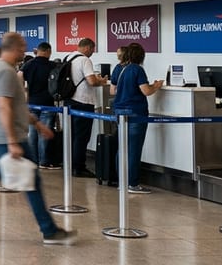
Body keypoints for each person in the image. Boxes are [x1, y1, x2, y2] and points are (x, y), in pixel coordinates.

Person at [0, 32, 74, 245]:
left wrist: (37, 124)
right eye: (22, 48)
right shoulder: (5, 71)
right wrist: (13, 141)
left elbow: (15, 106)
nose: (24, 51)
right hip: (7, 138)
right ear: (13, 49)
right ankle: (49, 230)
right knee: (32, 181)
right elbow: (4, 106)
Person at [110, 42, 163, 194]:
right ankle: (132, 184)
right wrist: (156, 86)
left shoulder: (118, 68)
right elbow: (146, 91)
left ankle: (122, 181)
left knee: (122, 148)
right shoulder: (137, 70)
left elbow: (113, 91)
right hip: (135, 113)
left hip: (119, 112)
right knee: (134, 149)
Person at [67, 38, 107, 178]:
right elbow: (91, 81)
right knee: (81, 137)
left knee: (71, 135)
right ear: (87, 48)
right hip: (83, 102)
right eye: (92, 49)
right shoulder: (84, 60)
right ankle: (79, 167)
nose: (92, 52)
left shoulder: (68, 57)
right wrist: (101, 81)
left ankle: (69, 165)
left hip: (69, 102)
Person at [20, 42, 60, 169]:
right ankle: (44, 161)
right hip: (47, 103)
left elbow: (19, 78)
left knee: (32, 133)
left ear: (38, 51)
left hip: (32, 102)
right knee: (45, 132)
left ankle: (33, 160)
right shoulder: (53, 65)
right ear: (48, 51)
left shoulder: (28, 64)